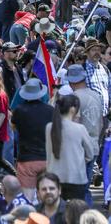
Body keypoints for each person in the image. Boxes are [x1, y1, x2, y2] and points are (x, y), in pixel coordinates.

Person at [45, 94, 95, 201]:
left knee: (57, 214)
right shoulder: (80, 129)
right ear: (73, 109)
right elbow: (90, 153)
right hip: (76, 178)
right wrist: (79, 160)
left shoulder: (49, 127)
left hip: (53, 177)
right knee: (75, 212)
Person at [11, 79, 54, 199]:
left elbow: (13, 127)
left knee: (27, 198)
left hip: (26, 159)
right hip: (47, 159)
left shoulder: (19, 110)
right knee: (46, 196)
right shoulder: (50, 111)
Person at [65, 64, 102, 205]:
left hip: (79, 149)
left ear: (71, 81)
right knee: (84, 188)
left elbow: (73, 124)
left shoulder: (73, 98)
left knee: (80, 190)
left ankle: (83, 217)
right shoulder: (96, 95)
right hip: (94, 145)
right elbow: (101, 123)